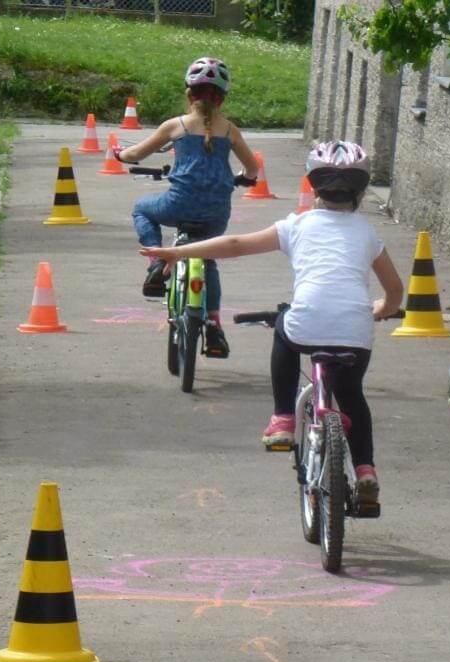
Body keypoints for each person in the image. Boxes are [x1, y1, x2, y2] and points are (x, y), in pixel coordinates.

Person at [139, 141, 404, 505]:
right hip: (355, 330)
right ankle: (366, 471)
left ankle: (282, 419)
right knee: (351, 394)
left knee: (284, 328)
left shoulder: (297, 225)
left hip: (307, 321)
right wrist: (381, 309)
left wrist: (176, 252)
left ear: (313, 185)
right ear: (360, 190)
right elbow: (394, 291)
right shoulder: (368, 234)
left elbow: (235, 244)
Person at [116, 57, 259, 357]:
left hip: (178, 205)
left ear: (189, 94)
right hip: (216, 213)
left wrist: (120, 154)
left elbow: (135, 154)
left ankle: (157, 262)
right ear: (221, 99)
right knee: (207, 258)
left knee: (142, 209)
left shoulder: (176, 126)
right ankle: (214, 326)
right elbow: (252, 168)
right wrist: (245, 178)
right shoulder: (230, 130)